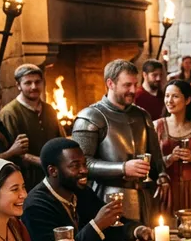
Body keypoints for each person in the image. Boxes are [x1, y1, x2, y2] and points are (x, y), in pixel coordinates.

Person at [22, 139, 148, 241]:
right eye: (75, 166)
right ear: (53, 171)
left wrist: (138, 230)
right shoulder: (36, 206)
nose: (84, 170)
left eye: (84, 164)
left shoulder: (80, 191)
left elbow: (112, 224)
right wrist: (96, 225)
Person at [71, 60, 169, 225]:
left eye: (135, 84)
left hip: (145, 201)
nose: (133, 90)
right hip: (106, 200)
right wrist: (123, 168)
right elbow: (81, 165)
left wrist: (162, 176)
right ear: (110, 83)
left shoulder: (142, 116)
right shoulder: (90, 117)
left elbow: (156, 157)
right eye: (127, 85)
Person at [0, 64, 65, 190]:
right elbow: (13, 152)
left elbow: (60, 139)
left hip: (52, 177)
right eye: (28, 83)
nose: (34, 87)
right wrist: (43, 162)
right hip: (26, 180)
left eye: (37, 82)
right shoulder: (10, 113)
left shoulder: (49, 109)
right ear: (18, 85)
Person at [154, 80, 191, 211]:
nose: (169, 100)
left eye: (175, 96)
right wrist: (170, 158)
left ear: (187, 100)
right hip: (167, 189)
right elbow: (151, 164)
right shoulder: (156, 126)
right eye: (167, 95)